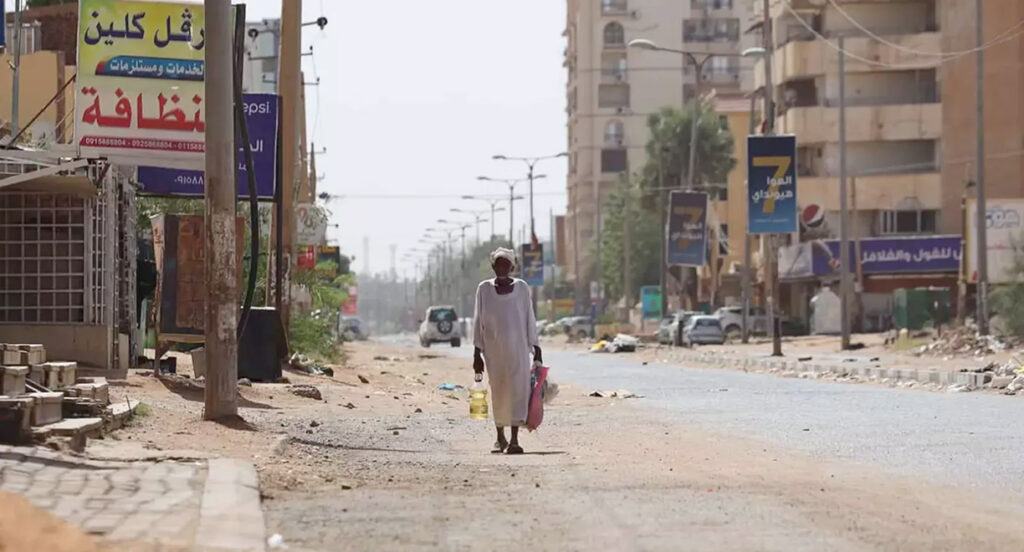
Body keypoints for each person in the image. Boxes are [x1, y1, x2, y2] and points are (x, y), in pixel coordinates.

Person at [473, 248, 542, 455]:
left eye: (506, 265)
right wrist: (477, 353)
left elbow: (529, 318)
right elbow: (478, 322)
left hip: (518, 351)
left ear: (512, 267)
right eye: (498, 265)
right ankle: (500, 437)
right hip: (493, 352)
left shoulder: (521, 288)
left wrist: (536, 350)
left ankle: (514, 440)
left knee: (518, 393)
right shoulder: (483, 289)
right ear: (493, 267)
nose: (501, 268)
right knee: (499, 392)